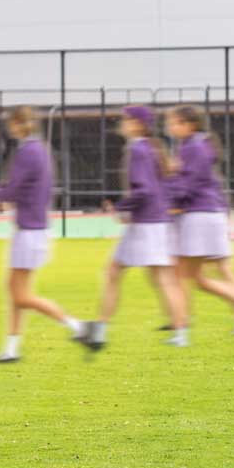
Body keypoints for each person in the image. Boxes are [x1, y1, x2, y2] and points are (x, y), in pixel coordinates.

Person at [0, 106, 86, 362]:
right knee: (15, 290)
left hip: (29, 231)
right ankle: (11, 349)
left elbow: (13, 190)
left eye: (11, 124)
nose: (10, 128)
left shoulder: (28, 151)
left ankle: (78, 326)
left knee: (21, 295)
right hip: (35, 228)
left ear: (17, 124)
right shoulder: (40, 149)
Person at [86, 105, 189, 349]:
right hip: (151, 221)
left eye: (126, 119)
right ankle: (179, 332)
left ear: (136, 124)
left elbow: (143, 189)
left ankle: (101, 329)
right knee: (149, 276)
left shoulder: (139, 150)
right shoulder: (149, 148)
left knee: (125, 274)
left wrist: (122, 207)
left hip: (147, 224)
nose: (121, 123)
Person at [164, 105, 234, 335]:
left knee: (192, 273)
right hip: (206, 213)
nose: (170, 127)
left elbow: (191, 182)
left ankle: (184, 323)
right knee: (199, 273)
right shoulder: (192, 145)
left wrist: (171, 202)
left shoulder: (194, 146)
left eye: (174, 123)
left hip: (201, 215)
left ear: (189, 124)